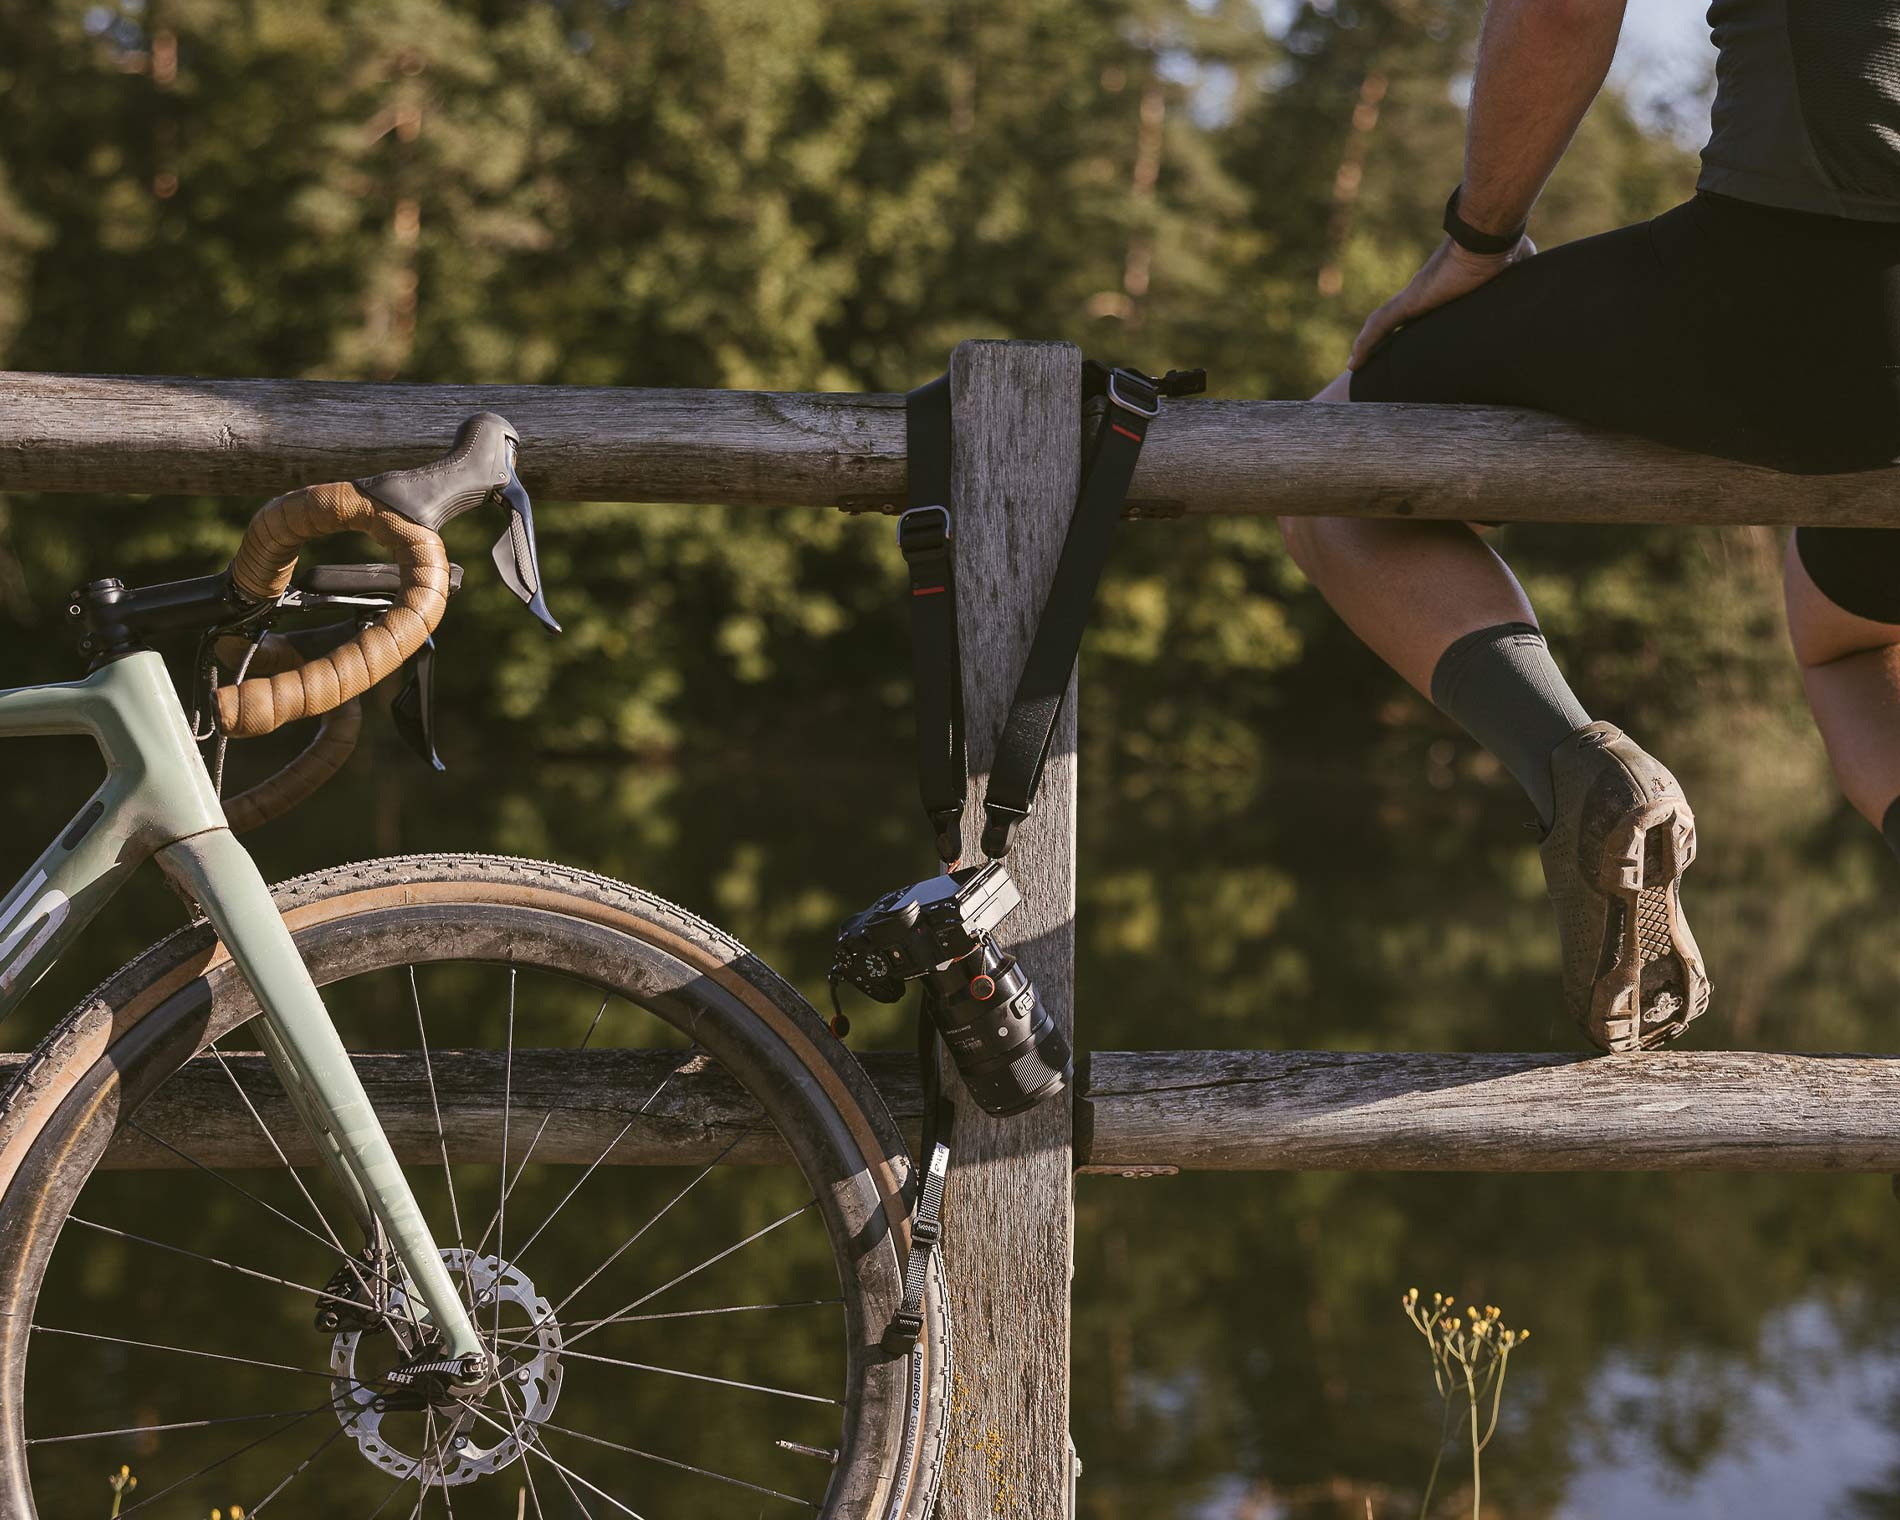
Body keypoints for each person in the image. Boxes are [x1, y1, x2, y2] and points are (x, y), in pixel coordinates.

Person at [1281, 0, 1900, 1054]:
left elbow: (1562, 8)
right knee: (1847, 636)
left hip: (1806, 297)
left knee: (1334, 460)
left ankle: (1575, 762)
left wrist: (1478, 241)